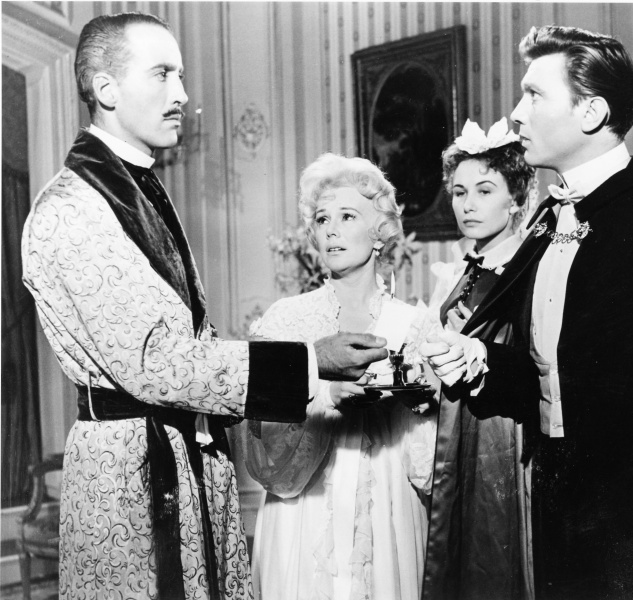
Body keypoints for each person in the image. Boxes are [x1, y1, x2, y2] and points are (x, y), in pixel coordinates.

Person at [21, 13, 386, 600]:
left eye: (182, 75)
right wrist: (309, 360)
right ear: (106, 89)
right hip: (129, 477)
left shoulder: (136, 188)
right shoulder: (72, 207)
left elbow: (192, 340)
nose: (183, 95)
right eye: (163, 74)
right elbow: (155, 362)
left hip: (178, 455)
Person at [422, 25, 633, 600]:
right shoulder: (544, 226)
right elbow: (556, 378)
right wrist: (480, 363)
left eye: (534, 95)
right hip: (565, 518)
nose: (517, 114)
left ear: (592, 112)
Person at [240, 153, 439, 600]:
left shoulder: (415, 325)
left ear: (379, 231)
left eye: (348, 216)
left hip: (387, 510)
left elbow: (430, 468)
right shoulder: (285, 320)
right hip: (303, 516)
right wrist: (325, 395)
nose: (331, 229)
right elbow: (264, 456)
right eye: (322, 218)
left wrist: (426, 406)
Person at [421, 118, 536, 600]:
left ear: (517, 199)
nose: (467, 204)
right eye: (459, 192)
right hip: (459, 425)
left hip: (503, 433)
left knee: (493, 548)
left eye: (484, 191)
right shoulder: (463, 269)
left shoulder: (528, 266)